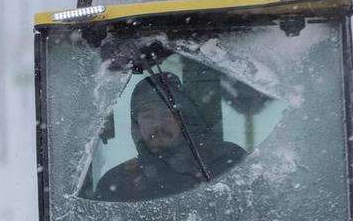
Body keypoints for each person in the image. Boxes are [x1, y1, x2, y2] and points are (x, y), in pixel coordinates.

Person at [92, 72, 246, 201]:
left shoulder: (224, 160)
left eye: (167, 114)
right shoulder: (118, 182)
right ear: (136, 124)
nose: (158, 124)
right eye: (148, 116)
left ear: (183, 118)